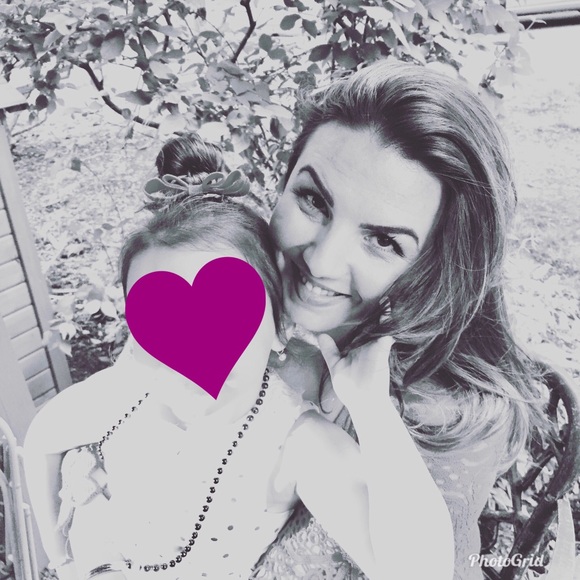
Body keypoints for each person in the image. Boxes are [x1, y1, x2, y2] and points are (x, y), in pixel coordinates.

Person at [23, 134, 454, 580]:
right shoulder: (131, 389)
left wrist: (371, 408)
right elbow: (42, 439)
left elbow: (422, 572)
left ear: (277, 327)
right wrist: (62, 563)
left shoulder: (292, 442)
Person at [249, 60, 546, 580]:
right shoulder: (252, 304)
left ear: (438, 265)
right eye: (313, 200)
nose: (321, 261)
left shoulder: (438, 422)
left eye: (383, 240)